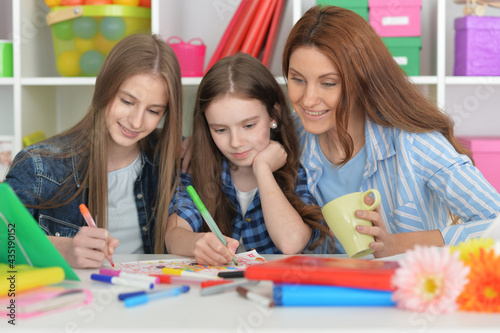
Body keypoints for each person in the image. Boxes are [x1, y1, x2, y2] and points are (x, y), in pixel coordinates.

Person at [282, 5, 500, 257]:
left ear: (362, 80)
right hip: (322, 290)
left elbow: (496, 223)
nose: (308, 100)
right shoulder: (290, 137)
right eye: (298, 79)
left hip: (403, 290)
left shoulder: (414, 141)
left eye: (328, 83)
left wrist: (399, 244)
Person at [4, 33, 183, 268]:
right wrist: (64, 250)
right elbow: (3, 241)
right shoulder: (38, 165)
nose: (137, 122)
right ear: (104, 88)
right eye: (127, 102)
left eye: (154, 111)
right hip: (75, 301)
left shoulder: (169, 160)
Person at [166, 53, 331, 265]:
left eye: (248, 125)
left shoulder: (296, 168)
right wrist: (196, 242)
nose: (236, 142)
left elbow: (291, 242)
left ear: (273, 116)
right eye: (221, 129)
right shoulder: (197, 167)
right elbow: (173, 235)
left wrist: (262, 169)